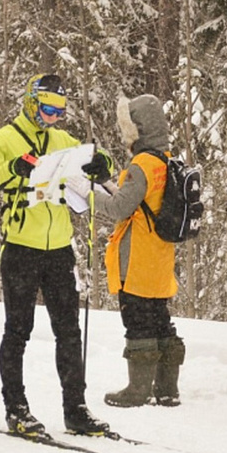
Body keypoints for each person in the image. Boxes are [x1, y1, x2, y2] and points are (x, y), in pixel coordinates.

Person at [0, 73, 114, 436]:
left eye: (60, 112)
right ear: (32, 102)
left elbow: (96, 159)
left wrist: (104, 167)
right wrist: (13, 168)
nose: (54, 118)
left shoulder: (62, 140)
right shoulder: (3, 139)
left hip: (58, 250)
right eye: (49, 109)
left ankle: (76, 409)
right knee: (18, 330)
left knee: (69, 331)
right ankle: (16, 409)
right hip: (21, 247)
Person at [66, 94, 186, 408]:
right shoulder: (165, 160)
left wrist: (85, 190)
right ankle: (167, 389)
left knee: (137, 321)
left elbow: (121, 208)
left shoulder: (142, 164)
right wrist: (105, 181)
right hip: (159, 258)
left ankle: (138, 389)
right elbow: (140, 200)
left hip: (138, 258)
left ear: (138, 129)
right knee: (160, 318)